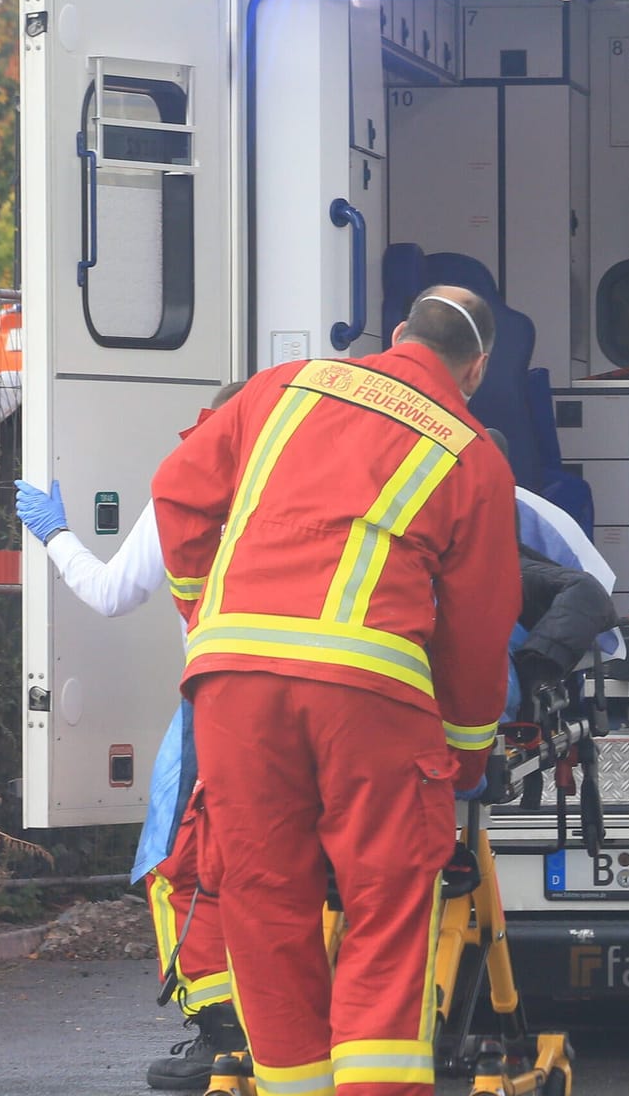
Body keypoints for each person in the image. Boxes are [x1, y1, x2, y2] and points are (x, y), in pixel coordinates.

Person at [152, 285, 519, 1096]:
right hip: (370, 693)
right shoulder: (471, 454)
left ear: (394, 336)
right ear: (478, 369)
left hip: (234, 682)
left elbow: (177, 495)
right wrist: (463, 759)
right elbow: (477, 629)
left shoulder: (279, 388)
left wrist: (203, 605)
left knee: (262, 899)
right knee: (385, 908)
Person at [14, 379, 248, 1091]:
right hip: (340, 703)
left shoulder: (189, 486)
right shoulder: (326, 484)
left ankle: (221, 1033)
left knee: (181, 868)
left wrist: (55, 534)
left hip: (222, 707)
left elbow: (113, 593)